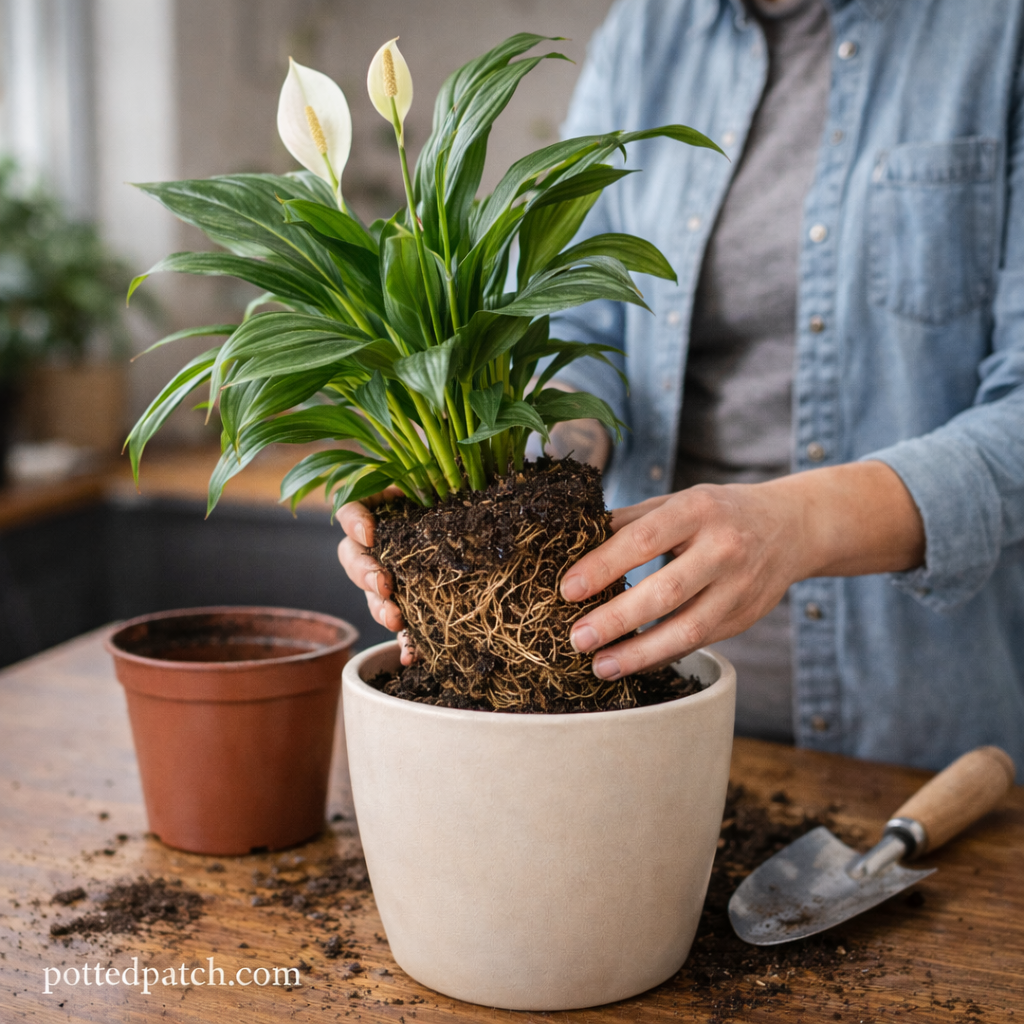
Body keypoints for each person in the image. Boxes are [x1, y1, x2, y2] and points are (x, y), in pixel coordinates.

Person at [339, 0, 1024, 772]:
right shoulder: (647, 34)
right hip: (631, 718)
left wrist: (799, 524)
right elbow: (585, 329)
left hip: (915, 741)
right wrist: (484, 494)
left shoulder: (997, 30)